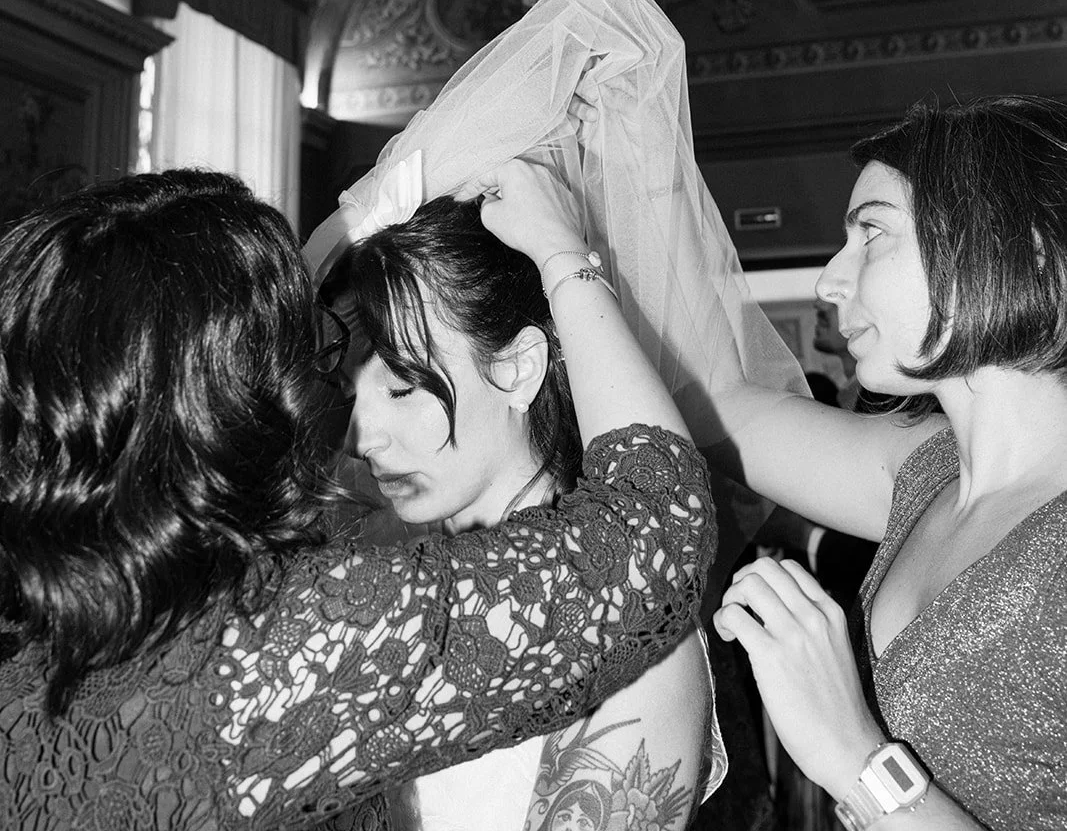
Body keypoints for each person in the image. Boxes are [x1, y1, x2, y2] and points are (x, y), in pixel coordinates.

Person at [0, 163, 717, 829]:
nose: (358, 435)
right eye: (332, 383)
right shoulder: (306, 616)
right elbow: (657, 526)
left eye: (402, 387)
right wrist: (564, 258)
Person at [708, 96, 1067, 830]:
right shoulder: (927, 473)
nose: (829, 282)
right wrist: (567, 254)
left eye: (871, 233)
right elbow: (712, 400)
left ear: (1019, 249)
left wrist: (851, 754)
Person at [320, 190, 726, 831]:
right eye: (351, 394)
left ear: (516, 369)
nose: (362, 439)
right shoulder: (376, 581)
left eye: (401, 388)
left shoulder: (626, 623)